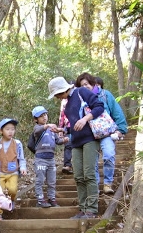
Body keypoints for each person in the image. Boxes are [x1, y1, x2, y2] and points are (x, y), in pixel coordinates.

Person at [48, 76, 104, 219]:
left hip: (90, 139)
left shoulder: (81, 92)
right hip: (76, 142)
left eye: (58, 94)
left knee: (89, 174)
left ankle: (91, 209)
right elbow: (73, 126)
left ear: (64, 89)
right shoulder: (66, 105)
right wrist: (61, 130)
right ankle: (83, 208)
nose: (58, 97)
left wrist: (85, 118)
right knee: (78, 176)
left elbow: (99, 106)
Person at [75, 73, 128, 194]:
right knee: (92, 162)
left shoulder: (105, 95)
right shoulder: (79, 99)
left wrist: (121, 129)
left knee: (109, 155)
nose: (84, 87)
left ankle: (108, 183)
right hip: (89, 135)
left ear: (92, 83)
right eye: (81, 86)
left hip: (107, 133)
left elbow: (116, 112)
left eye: (86, 84)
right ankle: (95, 186)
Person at [31, 105, 69, 208]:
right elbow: (37, 132)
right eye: (41, 116)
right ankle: (40, 199)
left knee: (52, 181)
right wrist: (47, 126)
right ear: (36, 119)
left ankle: (51, 199)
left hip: (51, 159)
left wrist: (64, 140)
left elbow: (57, 141)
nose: (44, 117)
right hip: (40, 159)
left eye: (45, 115)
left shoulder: (52, 129)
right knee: (40, 180)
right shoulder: (38, 128)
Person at [0, 118, 27, 219]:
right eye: (7, 129)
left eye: (13, 129)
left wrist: (23, 167)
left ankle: (11, 201)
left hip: (13, 172)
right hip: (0, 172)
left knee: (13, 189)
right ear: (1, 131)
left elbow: (21, 158)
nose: (10, 131)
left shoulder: (17, 144)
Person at [58, 99, 73, 174]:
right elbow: (62, 114)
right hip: (67, 126)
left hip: (80, 125)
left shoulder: (79, 94)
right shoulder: (64, 100)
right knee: (68, 145)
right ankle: (67, 165)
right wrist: (60, 128)